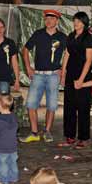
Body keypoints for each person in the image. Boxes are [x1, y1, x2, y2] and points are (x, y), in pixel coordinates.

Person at [20, 10, 67, 143]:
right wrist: (28, 67)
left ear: (57, 21)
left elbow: (69, 53)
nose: (48, 21)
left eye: (52, 19)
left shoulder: (62, 37)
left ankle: (47, 131)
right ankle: (34, 132)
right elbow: (25, 49)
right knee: (31, 104)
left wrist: (63, 71)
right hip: (38, 75)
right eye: (47, 18)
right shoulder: (38, 34)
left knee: (51, 106)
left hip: (53, 76)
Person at [59, 12, 92, 149]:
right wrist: (63, 74)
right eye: (75, 20)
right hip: (70, 75)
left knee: (83, 107)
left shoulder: (88, 38)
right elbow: (66, 54)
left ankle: (83, 138)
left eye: (79, 21)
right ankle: (70, 136)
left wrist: (81, 80)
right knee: (69, 106)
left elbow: (89, 60)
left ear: (84, 23)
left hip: (83, 76)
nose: (76, 23)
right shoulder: (70, 36)